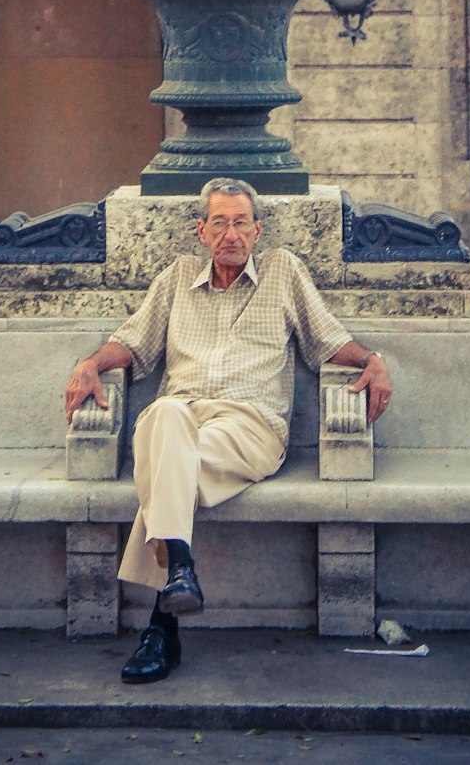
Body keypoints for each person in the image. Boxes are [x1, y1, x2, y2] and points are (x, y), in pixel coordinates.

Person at [63, 175, 393, 684]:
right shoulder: (177, 279)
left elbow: (328, 341)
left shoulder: (283, 272)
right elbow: (133, 344)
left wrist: (372, 360)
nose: (231, 233)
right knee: (166, 415)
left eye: (241, 223)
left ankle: (163, 623)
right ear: (202, 231)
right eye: (220, 223)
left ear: (257, 231)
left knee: (165, 462)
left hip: (249, 425)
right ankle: (177, 580)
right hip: (180, 418)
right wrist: (90, 363)